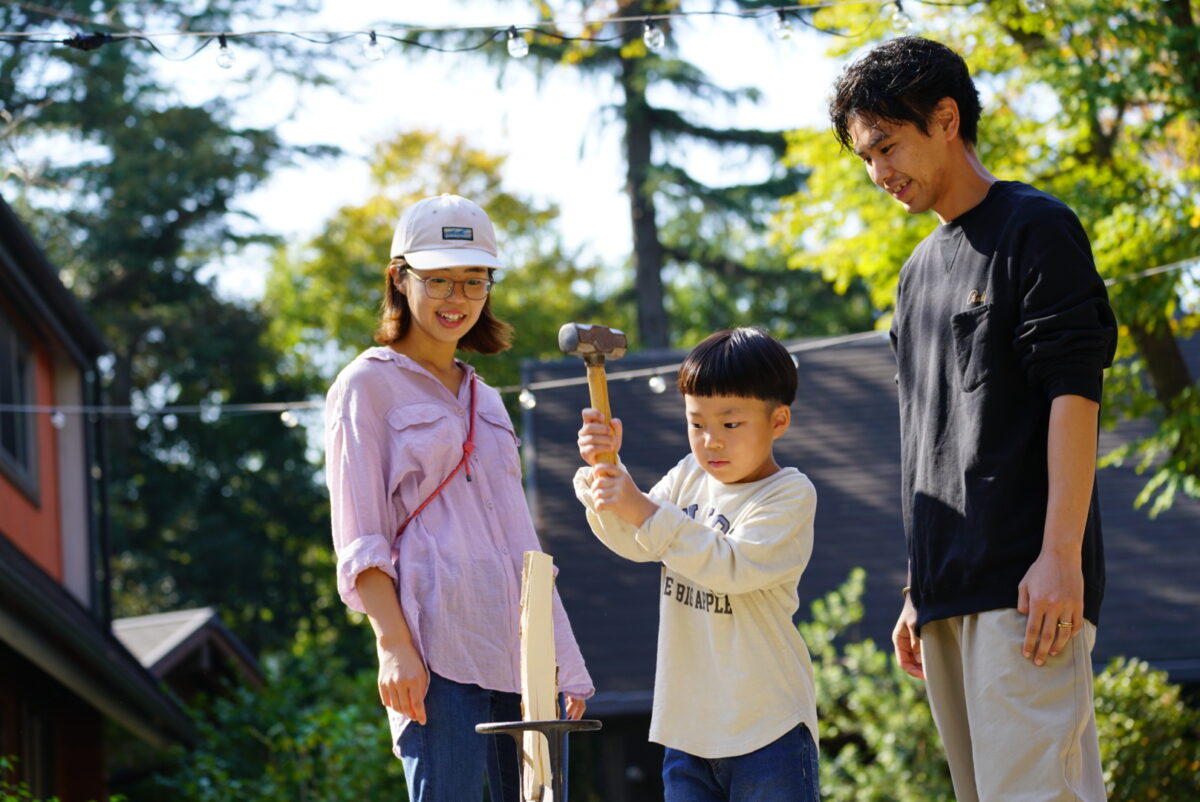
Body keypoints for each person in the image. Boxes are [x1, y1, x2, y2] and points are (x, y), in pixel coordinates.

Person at [828, 36, 1118, 801]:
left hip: (1029, 589)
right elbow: (929, 442)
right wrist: (915, 587)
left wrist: (1060, 556)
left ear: (947, 119)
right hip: (944, 595)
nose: (878, 172)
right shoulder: (914, 276)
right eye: (866, 156)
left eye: (887, 145)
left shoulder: (1036, 228)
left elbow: (1074, 392)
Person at [325, 194, 594, 802]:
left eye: (474, 281)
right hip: (436, 650)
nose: (458, 298)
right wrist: (393, 646)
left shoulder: (487, 399)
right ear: (400, 278)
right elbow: (361, 536)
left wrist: (561, 653)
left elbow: (521, 539)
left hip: (524, 653)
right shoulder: (364, 386)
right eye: (439, 280)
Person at [574, 327, 820, 802]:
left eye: (730, 424)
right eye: (696, 424)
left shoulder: (788, 494)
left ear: (778, 420)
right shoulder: (688, 475)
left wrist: (641, 507)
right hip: (687, 729)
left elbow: (731, 566)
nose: (711, 442)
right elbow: (638, 541)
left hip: (767, 727)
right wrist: (608, 472)